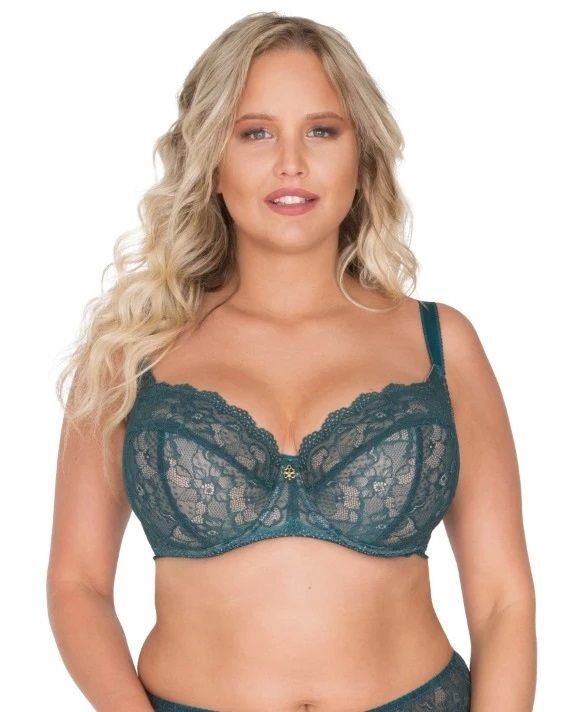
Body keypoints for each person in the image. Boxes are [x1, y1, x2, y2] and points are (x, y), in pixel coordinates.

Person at [46, 11, 537, 712]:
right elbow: (78, 584)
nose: (291, 163)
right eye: (255, 132)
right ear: (211, 159)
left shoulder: (440, 342)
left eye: (322, 130)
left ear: (362, 156)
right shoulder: (132, 349)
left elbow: (502, 600)